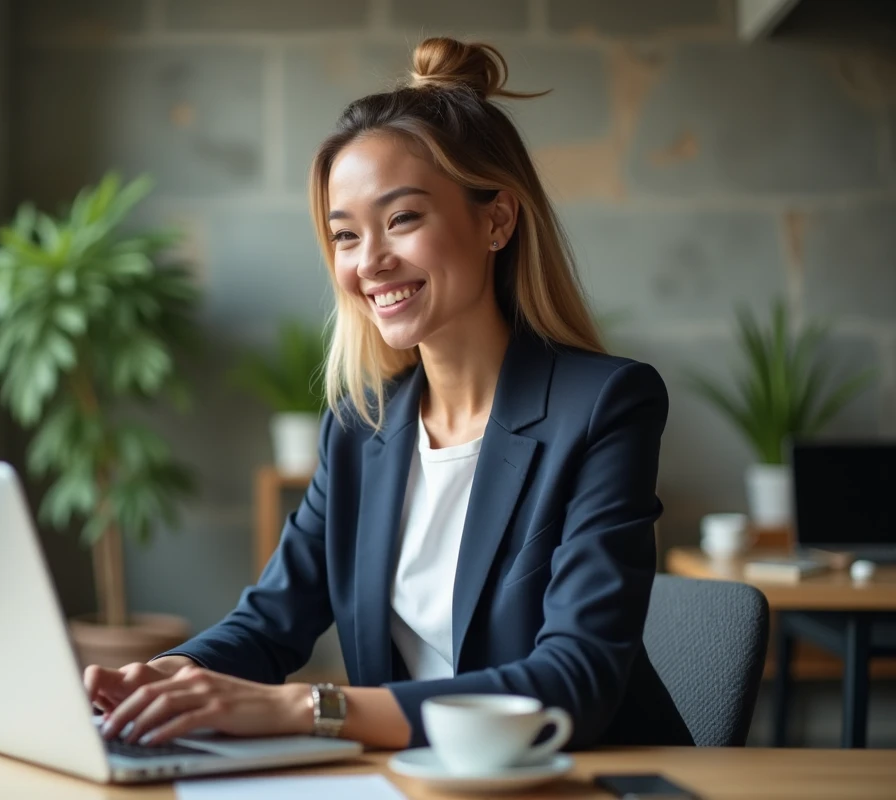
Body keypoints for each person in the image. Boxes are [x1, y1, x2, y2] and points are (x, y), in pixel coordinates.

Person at [87, 36, 693, 751]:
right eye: (346, 235)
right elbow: (270, 621)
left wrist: (307, 709)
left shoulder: (604, 406)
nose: (369, 262)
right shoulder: (361, 427)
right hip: (413, 782)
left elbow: (573, 681)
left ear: (496, 220)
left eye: (402, 219)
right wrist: (160, 679)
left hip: (579, 781)